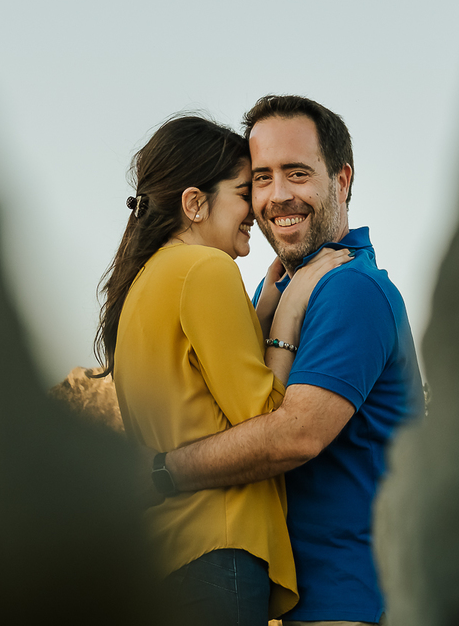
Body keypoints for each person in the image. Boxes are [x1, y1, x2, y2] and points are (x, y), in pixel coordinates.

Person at [151, 96, 424, 625]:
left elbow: (295, 434)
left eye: (297, 173)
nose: (278, 196)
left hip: (354, 597)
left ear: (342, 181)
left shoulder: (351, 289)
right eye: (262, 177)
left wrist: (164, 472)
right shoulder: (281, 289)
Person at [96, 115, 350, 626]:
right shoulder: (207, 270)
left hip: (168, 555)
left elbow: (201, 387)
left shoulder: (143, 284)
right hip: (221, 548)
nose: (253, 211)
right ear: (194, 203)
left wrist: (264, 306)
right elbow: (265, 415)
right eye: (243, 191)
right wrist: (293, 309)